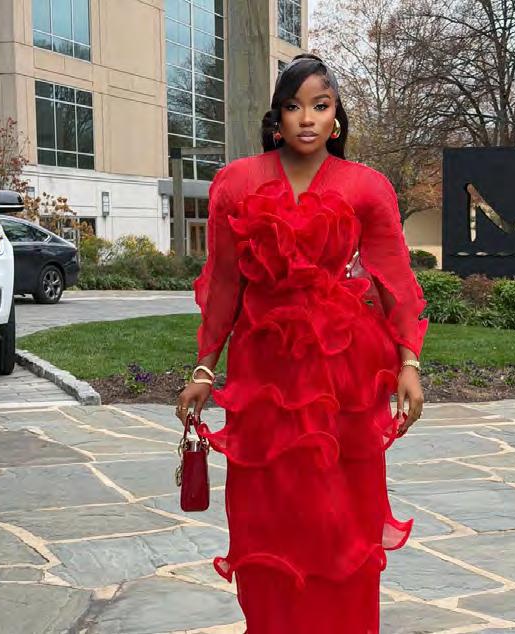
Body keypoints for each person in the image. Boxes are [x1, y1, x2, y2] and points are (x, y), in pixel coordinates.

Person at [175, 52, 429, 634]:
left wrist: (408, 362)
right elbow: (224, 286)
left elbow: (393, 280)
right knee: (269, 513)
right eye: (294, 106)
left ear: (337, 117)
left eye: (320, 105)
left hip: (342, 372)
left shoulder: (366, 186)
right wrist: (204, 369)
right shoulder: (237, 182)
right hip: (264, 373)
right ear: (277, 117)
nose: (307, 119)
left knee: (340, 517)